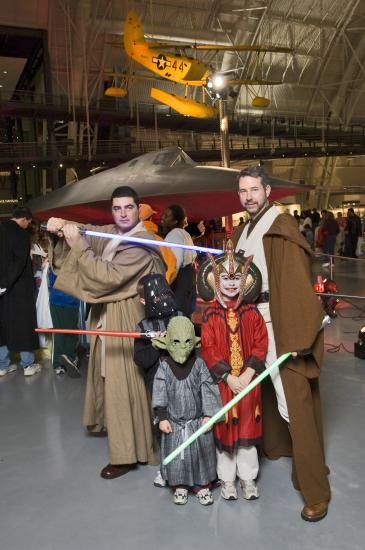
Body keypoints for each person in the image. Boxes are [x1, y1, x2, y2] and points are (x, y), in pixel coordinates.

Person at [231, 165, 331, 522]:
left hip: (279, 320)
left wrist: (299, 329)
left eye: (254, 189)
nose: (248, 196)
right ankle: (279, 447)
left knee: (293, 402)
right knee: (262, 394)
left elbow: (296, 282)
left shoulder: (281, 227)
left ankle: (316, 489)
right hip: (250, 321)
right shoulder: (244, 230)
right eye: (243, 191)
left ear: (267, 191)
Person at [46, 186, 166, 479]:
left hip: (126, 320)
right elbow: (88, 231)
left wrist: (79, 245)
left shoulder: (141, 242)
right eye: (117, 208)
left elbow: (106, 276)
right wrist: (62, 228)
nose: (122, 214)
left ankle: (128, 453)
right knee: (108, 378)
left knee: (123, 382)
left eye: (128, 208)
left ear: (139, 209)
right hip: (106, 318)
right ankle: (119, 432)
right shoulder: (113, 232)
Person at [199, 242, 268, 501]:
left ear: (245, 280)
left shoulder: (251, 312)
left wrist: (248, 374)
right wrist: (228, 377)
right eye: (225, 278)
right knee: (224, 431)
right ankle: (227, 480)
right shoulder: (210, 315)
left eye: (236, 277)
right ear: (216, 281)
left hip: (249, 385)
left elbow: (261, 342)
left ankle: (248, 478)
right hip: (224, 385)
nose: (231, 283)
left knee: (248, 431)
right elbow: (209, 348)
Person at [152, 316, 222, 506]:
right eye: (176, 341)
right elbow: (159, 392)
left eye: (186, 342)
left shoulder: (199, 365)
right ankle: (180, 486)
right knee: (177, 461)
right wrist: (163, 417)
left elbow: (208, 388)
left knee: (201, 457)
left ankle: (202, 486)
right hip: (174, 424)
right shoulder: (164, 367)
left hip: (197, 423)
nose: (182, 347)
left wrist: (209, 415)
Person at [133, 272, 183, 488]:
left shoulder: (181, 316)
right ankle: (166, 468)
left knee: (185, 422)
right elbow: (141, 360)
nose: (160, 300)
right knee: (164, 426)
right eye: (154, 297)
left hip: (182, 381)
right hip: (158, 385)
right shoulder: (143, 328)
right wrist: (154, 345)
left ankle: (188, 465)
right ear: (143, 300)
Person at [0, 207, 41, 377]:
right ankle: (28, 365)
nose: (27, 226)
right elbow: (18, 262)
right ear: (24, 219)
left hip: (2, 290)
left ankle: (2, 365)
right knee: (24, 323)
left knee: (2, 325)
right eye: (28, 223)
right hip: (18, 288)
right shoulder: (21, 235)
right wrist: (5, 284)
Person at [160, 204, 196, 317]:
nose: (162, 218)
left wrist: (165, 283)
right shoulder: (185, 234)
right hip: (187, 278)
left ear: (175, 221)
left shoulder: (174, 234)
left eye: (166, 216)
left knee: (177, 317)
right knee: (185, 315)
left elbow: (175, 262)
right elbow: (193, 255)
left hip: (178, 281)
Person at [48, 270, 81, 377]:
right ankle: (70, 358)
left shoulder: (55, 258)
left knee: (58, 332)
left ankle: (58, 364)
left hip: (56, 299)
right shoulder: (77, 256)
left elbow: (52, 280)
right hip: (71, 299)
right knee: (71, 331)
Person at [139, 203, 177, 284]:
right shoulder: (158, 240)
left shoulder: (124, 238)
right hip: (153, 287)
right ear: (151, 218)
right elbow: (171, 263)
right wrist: (163, 284)